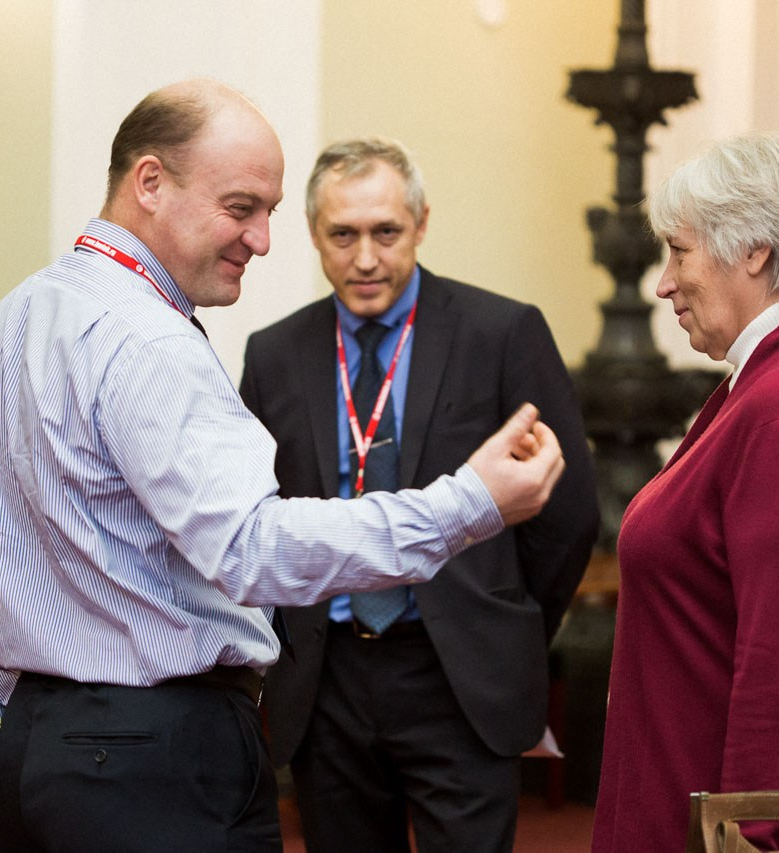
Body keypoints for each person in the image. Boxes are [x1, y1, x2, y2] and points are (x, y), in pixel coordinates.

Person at [0, 78, 567, 852]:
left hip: (43, 749)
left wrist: (53, 715)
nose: (264, 240)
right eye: (241, 208)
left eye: (269, 213)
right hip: (160, 757)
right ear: (150, 183)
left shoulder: (10, 320)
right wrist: (465, 502)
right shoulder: (150, 340)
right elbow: (250, 548)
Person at [238, 137, 598, 852]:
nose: (366, 258)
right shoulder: (275, 353)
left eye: (386, 233)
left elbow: (567, 511)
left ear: (422, 223)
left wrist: (509, 618)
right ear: (313, 233)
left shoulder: (501, 332)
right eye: (342, 235)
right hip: (327, 674)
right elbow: (254, 514)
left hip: (457, 672)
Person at [590, 132, 779, 851]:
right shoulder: (770, 381)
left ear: (754, 249)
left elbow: (774, 670)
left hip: (738, 825)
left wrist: (748, 839)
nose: (664, 281)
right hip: (691, 798)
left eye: (679, 250)